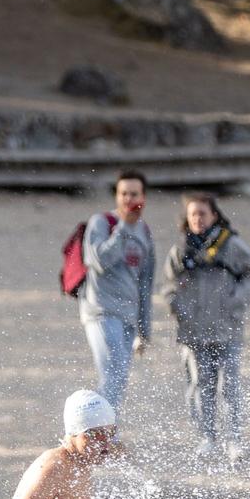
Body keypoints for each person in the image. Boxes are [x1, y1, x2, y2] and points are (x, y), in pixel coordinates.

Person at [166, 191, 250, 465]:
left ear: (214, 215)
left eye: (202, 213)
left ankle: (234, 439)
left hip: (226, 328)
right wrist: (177, 307)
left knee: (228, 385)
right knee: (199, 385)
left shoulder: (231, 246)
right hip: (192, 331)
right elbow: (169, 285)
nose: (197, 218)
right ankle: (206, 437)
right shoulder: (180, 250)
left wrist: (235, 301)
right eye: (192, 214)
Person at [77, 170, 154, 413]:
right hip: (101, 310)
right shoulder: (101, 223)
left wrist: (145, 329)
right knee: (112, 375)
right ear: (116, 196)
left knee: (119, 380)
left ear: (144, 197)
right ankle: (100, 435)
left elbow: (145, 282)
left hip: (128, 316)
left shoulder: (145, 232)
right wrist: (123, 228)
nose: (129, 200)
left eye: (134, 194)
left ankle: (101, 432)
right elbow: (99, 261)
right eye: (123, 194)